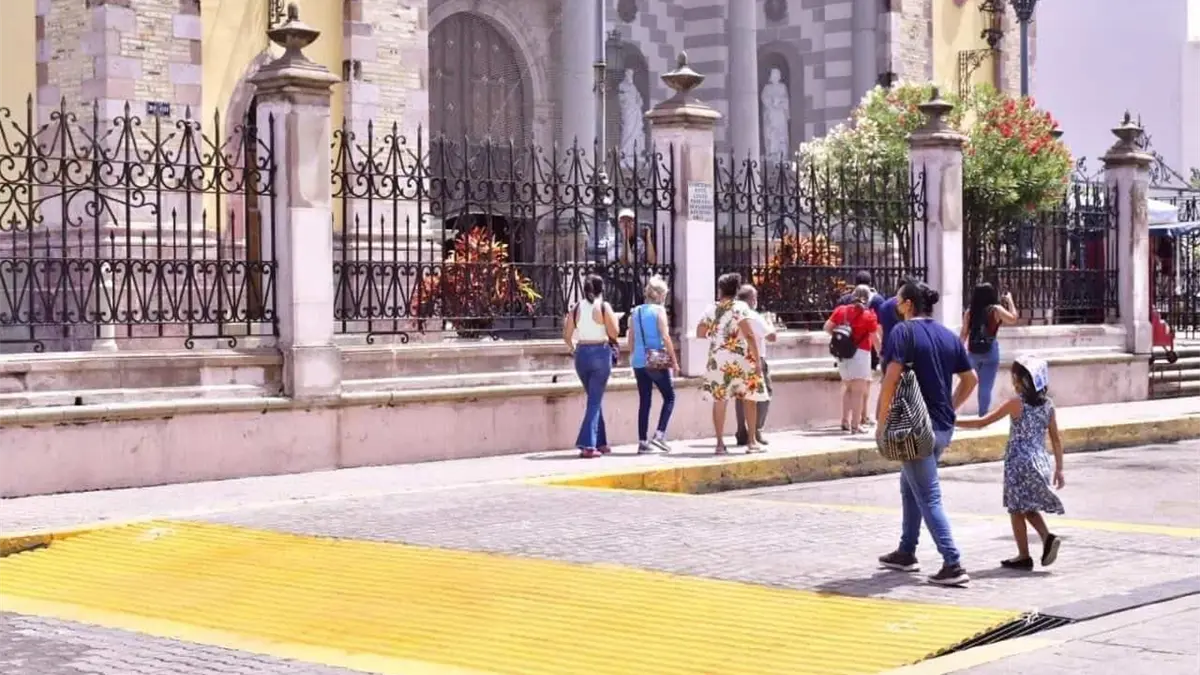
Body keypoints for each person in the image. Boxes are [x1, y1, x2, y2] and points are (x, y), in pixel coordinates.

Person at [876, 280, 979, 586]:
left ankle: (953, 563)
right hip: (942, 426)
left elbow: (890, 379)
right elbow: (971, 379)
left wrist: (881, 421)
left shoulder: (903, 332)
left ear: (908, 304)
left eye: (899, 300)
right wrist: (951, 406)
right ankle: (906, 551)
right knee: (910, 486)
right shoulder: (947, 335)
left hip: (913, 427)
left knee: (928, 495)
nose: (896, 306)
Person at [955, 356, 1065, 570]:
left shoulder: (1016, 404)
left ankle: (1024, 555)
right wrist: (1059, 469)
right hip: (1040, 462)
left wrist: (952, 421)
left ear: (1022, 380)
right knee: (1027, 506)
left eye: (1014, 376)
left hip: (1018, 462)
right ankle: (1047, 537)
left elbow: (982, 422)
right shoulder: (1048, 406)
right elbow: (1056, 439)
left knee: (1016, 510)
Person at [697, 273, 770, 455]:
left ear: (720, 290)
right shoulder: (741, 307)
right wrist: (757, 360)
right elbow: (749, 334)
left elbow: (700, 332)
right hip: (741, 358)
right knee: (749, 398)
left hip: (718, 359)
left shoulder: (712, 309)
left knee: (720, 400)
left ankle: (720, 444)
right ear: (736, 290)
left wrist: (717, 336)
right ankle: (752, 442)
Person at [562, 274, 620, 459]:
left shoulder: (576, 308)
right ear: (601, 289)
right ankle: (587, 445)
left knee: (595, 398)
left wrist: (573, 349)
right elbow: (614, 333)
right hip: (600, 353)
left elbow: (566, 335)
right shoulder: (603, 306)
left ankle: (600, 441)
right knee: (594, 400)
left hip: (581, 354)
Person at [627, 275, 679, 454]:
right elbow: (665, 336)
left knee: (645, 401)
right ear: (660, 295)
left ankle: (642, 442)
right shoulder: (659, 311)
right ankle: (659, 434)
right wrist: (674, 360)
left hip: (638, 361)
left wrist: (634, 355)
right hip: (655, 360)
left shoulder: (636, 311)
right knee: (670, 397)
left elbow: (631, 337)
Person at [825, 284, 880, 433]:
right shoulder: (869, 316)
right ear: (867, 299)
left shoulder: (841, 311)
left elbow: (827, 327)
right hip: (861, 354)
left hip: (843, 354)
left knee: (848, 388)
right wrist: (882, 354)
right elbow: (875, 339)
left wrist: (843, 339)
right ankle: (855, 425)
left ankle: (844, 421)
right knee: (858, 392)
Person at [960, 283, 1020, 415]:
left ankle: (952, 409)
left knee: (965, 384)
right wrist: (1010, 300)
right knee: (985, 387)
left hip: (973, 352)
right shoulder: (996, 310)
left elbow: (964, 333)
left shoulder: (970, 312)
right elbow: (1013, 318)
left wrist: (958, 351)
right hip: (990, 351)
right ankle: (982, 416)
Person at [734, 284, 778, 447]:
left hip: (737, 358)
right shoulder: (754, 316)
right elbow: (772, 336)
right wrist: (769, 322)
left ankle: (741, 431)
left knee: (741, 396)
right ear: (752, 299)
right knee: (764, 394)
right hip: (756, 358)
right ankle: (757, 430)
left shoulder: (734, 315)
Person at [606, 208, 658, 336]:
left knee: (638, 313)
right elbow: (625, 261)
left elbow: (651, 260)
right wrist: (625, 238)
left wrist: (648, 238)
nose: (627, 225)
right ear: (619, 224)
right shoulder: (613, 242)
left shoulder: (639, 242)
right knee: (620, 314)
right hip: (618, 283)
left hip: (635, 282)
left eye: (630, 221)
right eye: (623, 221)